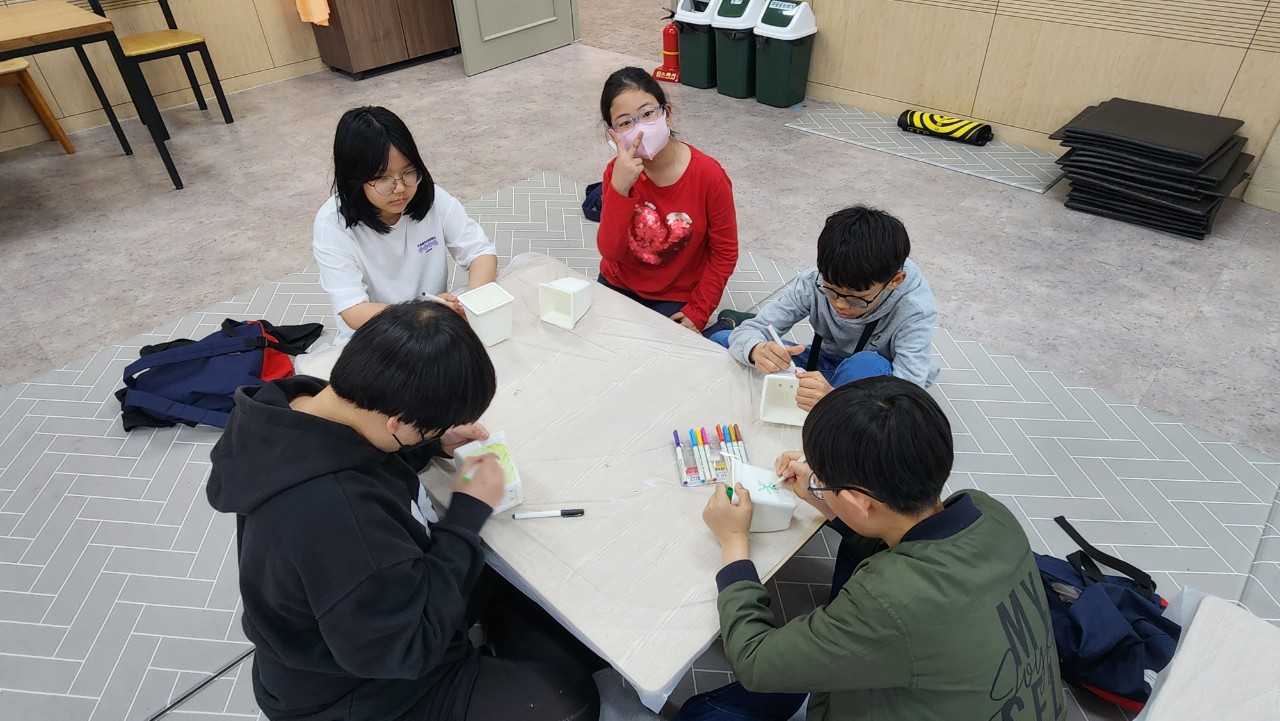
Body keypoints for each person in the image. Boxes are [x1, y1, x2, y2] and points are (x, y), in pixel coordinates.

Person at [206, 301, 601, 721]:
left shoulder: (302, 405)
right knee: (571, 701)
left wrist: (431, 442)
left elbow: (364, 452)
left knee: (531, 588)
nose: (435, 432)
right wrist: (467, 512)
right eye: (430, 426)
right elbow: (407, 651)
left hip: (368, 610)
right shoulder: (338, 517)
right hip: (357, 690)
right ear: (396, 422)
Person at [680, 376, 1066, 721]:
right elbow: (895, 537)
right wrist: (822, 495)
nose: (816, 482)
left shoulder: (886, 599)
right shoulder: (989, 512)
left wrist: (734, 541)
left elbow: (754, 661)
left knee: (699, 714)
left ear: (859, 501)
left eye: (822, 480)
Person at [712, 206, 937, 410]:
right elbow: (752, 330)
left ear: (895, 281)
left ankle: (835, 409)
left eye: (857, 299)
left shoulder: (914, 309)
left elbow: (908, 394)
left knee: (867, 363)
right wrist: (756, 350)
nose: (840, 305)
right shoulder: (814, 280)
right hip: (824, 360)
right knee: (721, 340)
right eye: (831, 291)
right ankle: (734, 325)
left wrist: (834, 399)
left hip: (873, 375)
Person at [313, 106, 498, 344]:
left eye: (409, 172)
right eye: (382, 178)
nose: (400, 188)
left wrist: (471, 300)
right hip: (375, 338)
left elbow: (481, 252)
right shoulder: (332, 225)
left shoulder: (432, 198)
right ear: (354, 179)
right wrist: (422, 315)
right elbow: (353, 310)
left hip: (434, 331)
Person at [597, 66, 738, 337]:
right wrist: (619, 188)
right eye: (625, 123)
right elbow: (610, 252)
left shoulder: (709, 176)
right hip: (618, 284)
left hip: (674, 295)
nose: (639, 129)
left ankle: (723, 327)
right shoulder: (617, 173)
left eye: (647, 114)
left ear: (667, 114)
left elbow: (725, 252)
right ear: (613, 133)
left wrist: (698, 311)